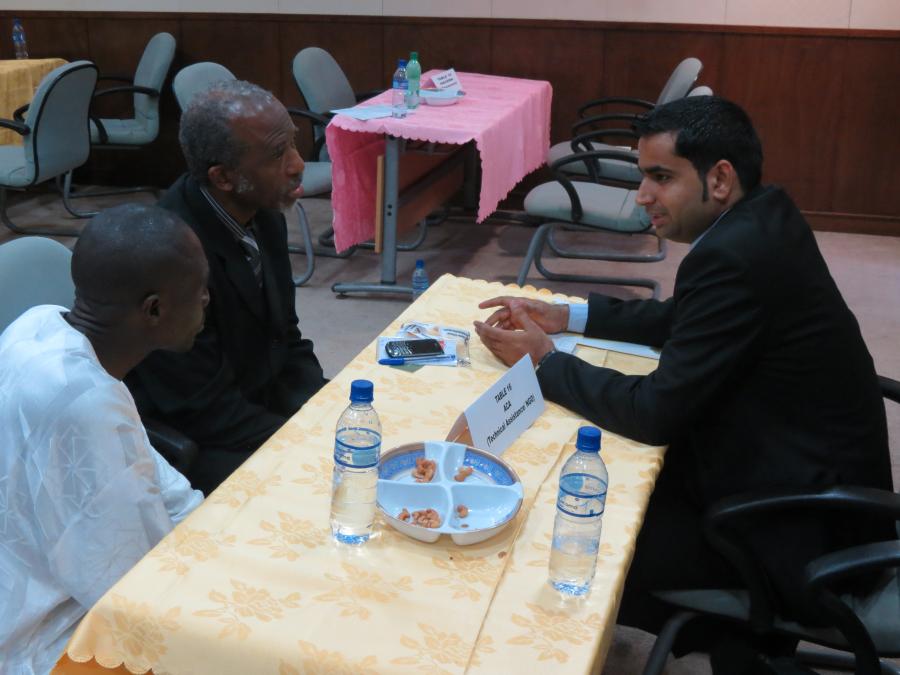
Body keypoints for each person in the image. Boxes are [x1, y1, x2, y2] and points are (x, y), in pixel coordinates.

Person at [474, 96, 893, 672]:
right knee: (603, 476)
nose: (642, 195)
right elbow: (685, 319)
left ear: (719, 179)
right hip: (813, 481)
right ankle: (742, 649)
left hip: (796, 529)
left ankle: (740, 646)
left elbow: (653, 413)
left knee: (572, 527)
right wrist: (569, 315)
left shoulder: (733, 256)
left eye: (662, 178)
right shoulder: (764, 217)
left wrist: (545, 362)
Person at [0, 204, 207, 675]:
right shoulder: (86, 403)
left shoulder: (41, 321)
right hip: (39, 633)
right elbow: (128, 588)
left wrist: (201, 519)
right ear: (154, 309)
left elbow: (145, 466)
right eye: (199, 290)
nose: (206, 300)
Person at [126, 80, 328, 495]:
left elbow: (285, 338)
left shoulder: (263, 213)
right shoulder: (169, 257)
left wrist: (328, 410)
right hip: (198, 442)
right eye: (278, 154)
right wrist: (304, 441)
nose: (297, 164)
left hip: (251, 404)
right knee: (323, 490)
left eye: (293, 142)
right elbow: (200, 408)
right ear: (223, 177)